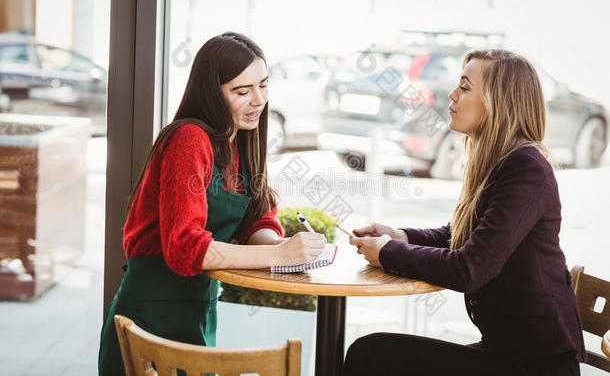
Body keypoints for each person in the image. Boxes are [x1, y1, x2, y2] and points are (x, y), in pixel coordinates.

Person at [345, 49, 586, 376]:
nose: (452, 95)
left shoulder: (526, 169)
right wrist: (398, 235)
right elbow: (456, 236)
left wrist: (389, 252)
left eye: (465, 87)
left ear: (498, 102)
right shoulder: (499, 163)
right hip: (506, 353)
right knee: (376, 353)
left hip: (535, 366)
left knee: (370, 354)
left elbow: (469, 268)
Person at [98, 32, 326, 376]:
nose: (258, 100)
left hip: (198, 313)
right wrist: (278, 256)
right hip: (149, 316)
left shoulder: (243, 142)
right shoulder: (188, 140)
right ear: (211, 92)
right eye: (241, 91)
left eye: (263, 85)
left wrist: (281, 244)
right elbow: (185, 249)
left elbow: (257, 220)